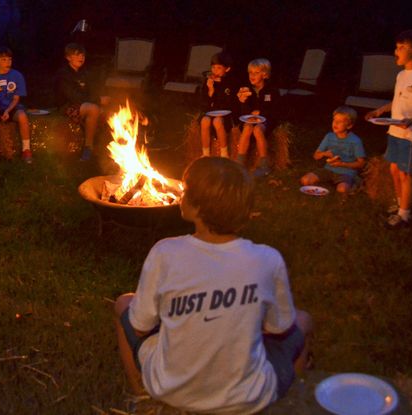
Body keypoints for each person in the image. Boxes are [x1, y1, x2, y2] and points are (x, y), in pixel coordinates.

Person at [113, 157, 313, 414]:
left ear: (195, 208)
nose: (180, 196)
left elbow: (140, 328)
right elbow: (280, 328)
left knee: (123, 304)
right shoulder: (267, 259)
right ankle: (288, 405)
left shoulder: (165, 252)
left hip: (171, 388)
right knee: (304, 320)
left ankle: (141, 397)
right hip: (247, 397)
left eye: (185, 192)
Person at [365, 30, 412, 229]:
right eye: (396, 47)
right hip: (396, 131)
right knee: (394, 168)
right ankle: (400, 205)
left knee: (406, 173)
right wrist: (380, 110)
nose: (395, 51)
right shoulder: (402, 75)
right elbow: (398, 100)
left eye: (401, 48)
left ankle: (404, 215)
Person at [55, 42, 110, 161]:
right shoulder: (63, 74)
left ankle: (107, 148)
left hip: (84, 104)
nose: (81, 57)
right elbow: (73, 97)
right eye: (77, 55)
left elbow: (91, 92)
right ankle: (88, 148)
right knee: (94, 109)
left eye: (83, 55)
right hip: (67, 106)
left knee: (109, 110)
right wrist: (98, 100)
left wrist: (100, 98)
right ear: (68, 57)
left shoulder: (84, 73)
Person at [0, 46, 32, 164]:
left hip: (12, 108)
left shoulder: (17, 76)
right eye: (4, 59)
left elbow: (16, 98)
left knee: (22, 116)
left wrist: (8, 111)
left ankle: (26, 150)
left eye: (9, 59)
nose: (8, 62)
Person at [300, 106, 366, 194]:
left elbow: (361, 163)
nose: (335, 123)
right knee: (305, 180)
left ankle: (355, 184)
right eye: (334, 120)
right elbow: (316, 156)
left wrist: (342, 164)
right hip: (328, 169)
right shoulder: (329, 136)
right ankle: (331, 182)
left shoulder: (355, 141)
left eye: (340, 121)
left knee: (342, 190)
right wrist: (324, 154)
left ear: (349, 125)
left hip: (346, 172)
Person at [236, 58, 280, 177]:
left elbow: (274, 110)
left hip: (267, 120)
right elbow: (244, 113)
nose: (252, 76)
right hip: (250, 121)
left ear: (264, 75)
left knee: (257, 129)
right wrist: (242, 101)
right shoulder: (247, 90)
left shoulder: (272, 91)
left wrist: (260, 112)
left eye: (256, 73)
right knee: (247, 128)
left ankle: (264, 164)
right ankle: (239, 164)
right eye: (250, 73)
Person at [198, 52, 238, 159]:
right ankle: (205, 153)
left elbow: (230, 102)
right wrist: (210, 90)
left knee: (217, 121)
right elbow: (204, 103)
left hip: (226, 114)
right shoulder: (208, 81)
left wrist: (219, 86)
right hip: (210, 111)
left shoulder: (230, 83)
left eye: (219, 68)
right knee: (204, 121)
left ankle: (224, 153)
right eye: (213, 67)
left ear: (227, 69)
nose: (215, 70)